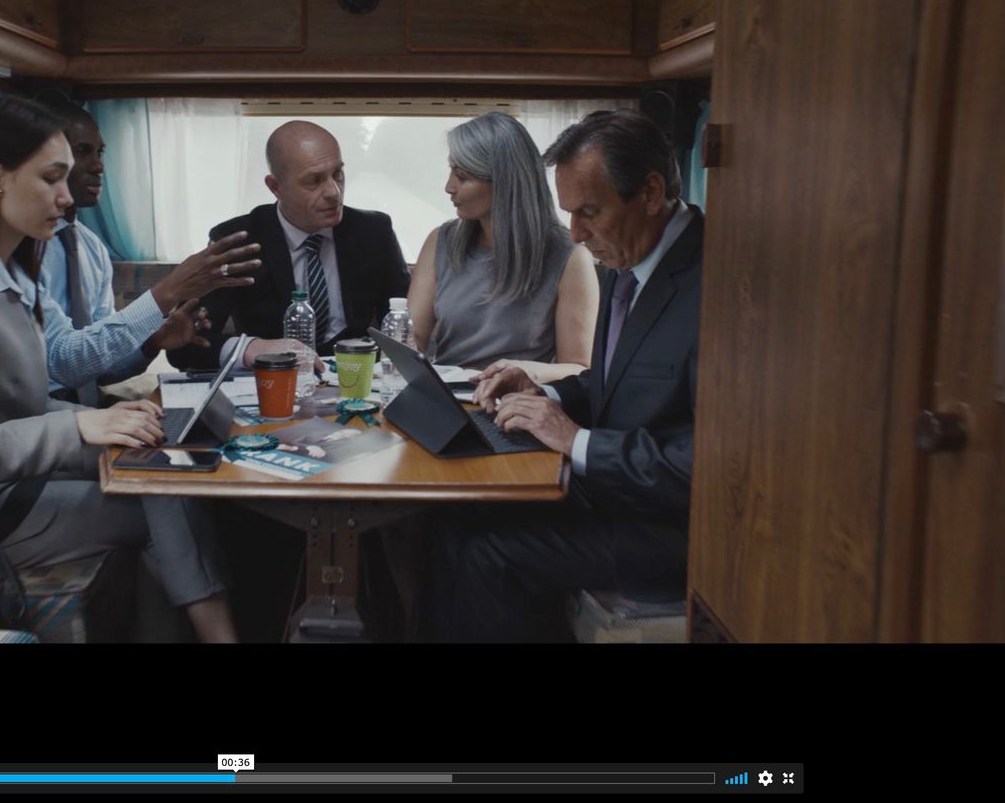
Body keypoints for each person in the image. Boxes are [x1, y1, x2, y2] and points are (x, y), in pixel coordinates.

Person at [0, 94, 237, 642]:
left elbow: (29, 398)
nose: (65, 195)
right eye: (52, 178)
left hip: (25, 479)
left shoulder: (16, 274)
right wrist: (77, 423)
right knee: (162, 495)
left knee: (164, 465)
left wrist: (118, 419)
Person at [422, 108, 704, 641]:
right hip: (620, 495)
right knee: (448, 523)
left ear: (649, 192)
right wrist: (543, 389)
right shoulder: (630, 261)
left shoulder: (715, 284)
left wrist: (575, 440)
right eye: (569, 214)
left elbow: (707, 466)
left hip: (670, 527)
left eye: (589, 213)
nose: (574, 234)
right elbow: (615, 388)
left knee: (486, 552)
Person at [31, 94, 262, 406]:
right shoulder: (21, 248)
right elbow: (64, 362)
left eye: (100, 152)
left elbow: (97, 370)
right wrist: (168, 291)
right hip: (40, 412)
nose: (98, 166)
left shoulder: (90, 248)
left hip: (89, 408)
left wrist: (153, 343)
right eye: (82, 152)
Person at [165, 120, 412, 374]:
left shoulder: (373, 231)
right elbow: (183, 349)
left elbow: (405, 325)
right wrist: (250, 349)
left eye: (338, 173)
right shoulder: (239, 242)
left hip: (355, 383)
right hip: (271, 383)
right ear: (275, 187)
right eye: (314, 181)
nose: (334, 192)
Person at [406, 111, 597, 378]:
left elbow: (578, 369)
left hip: (515, 404)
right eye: (451, 170)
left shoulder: (570, 256)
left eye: (462, 176)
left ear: (504, 183)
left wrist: (519, 371)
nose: (449, 187)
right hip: (446, 398)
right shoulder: (441, 241)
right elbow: (410, 341)